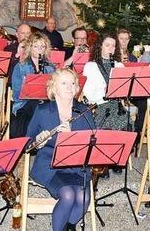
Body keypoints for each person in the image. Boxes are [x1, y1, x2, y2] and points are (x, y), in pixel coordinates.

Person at [27, 69, 95, 231]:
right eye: (64, 83)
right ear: (53, 87)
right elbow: (27, 142)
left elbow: (93, 142)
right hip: (50, 165)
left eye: (73, 83)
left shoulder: (83, 111)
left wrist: (71, 137)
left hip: (77, 166)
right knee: (68, 195)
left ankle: (68, 226)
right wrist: (39, 142)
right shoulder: (43, 111)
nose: (69, 87)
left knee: (83, 198)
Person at [10, 33, 55, 138]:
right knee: (38, 107)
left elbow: (54, 92)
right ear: (30, 48)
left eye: (42, 47)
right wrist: (31, 85)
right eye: (36, 46)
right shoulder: (20, 67)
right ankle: (36, 138)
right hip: (25, 103)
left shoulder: (50, 68)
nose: (39, 50)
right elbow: (16, 94)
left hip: (46, 102)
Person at [82, 33, 126, 131]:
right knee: (116, 120)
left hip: (118, 106)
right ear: (100, 46)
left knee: (125, 120)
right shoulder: (90, 66)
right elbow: (89, 95)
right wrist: (105, 91)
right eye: (107, 45)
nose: (111, 48)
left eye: (113, 46)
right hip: (100, 105)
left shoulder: (119, 66)